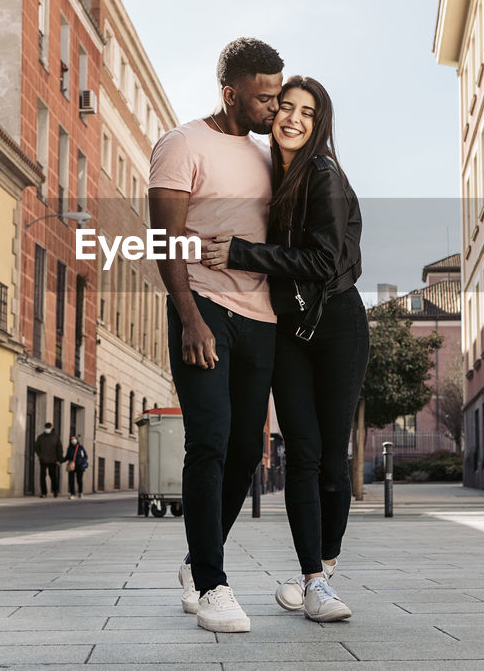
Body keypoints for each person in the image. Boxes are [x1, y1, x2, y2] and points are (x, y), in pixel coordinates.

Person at [201, 76, 365, 623]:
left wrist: (243, 254)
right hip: (291, 330)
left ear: (320, 124)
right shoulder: (280, 176)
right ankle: (315, 582)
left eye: (307, 112)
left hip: (337, 325)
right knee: (304, 452)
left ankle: (323, 567)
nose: (292, 118)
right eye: (285, 107)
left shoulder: (323, 175)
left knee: (331, 461)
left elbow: (325, 262)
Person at [148, 37, 284, 634]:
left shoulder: (266, 156)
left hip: (262, 318)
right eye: (262, 98)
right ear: (230, 92)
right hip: (203, 306)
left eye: (277, 96)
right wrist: (188, 315)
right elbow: (166, 240)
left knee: (242, 454)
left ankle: (195, 560)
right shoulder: (182, 145)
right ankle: (211, 582)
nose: (273, 109)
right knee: (208, 440)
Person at [33, 422, 63, 498]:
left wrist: (59, 459)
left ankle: (55, 491)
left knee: (53, 476)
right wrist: (40, 455)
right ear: (44, 427)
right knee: (42, 476)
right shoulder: (40, 437)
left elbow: (59, 449)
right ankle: (44, 493)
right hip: (43, 460)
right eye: (46, 427)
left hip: (53, 460)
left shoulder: (55, 437)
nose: (47, 429)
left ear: (51, 428)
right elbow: (36, 447)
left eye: (49, 428)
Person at [64, 434, 88, 499]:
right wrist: (60, 461)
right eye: (71, 439)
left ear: (76, 440)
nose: (73, 440)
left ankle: (80, 492)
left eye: (74, 439)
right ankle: (72, 494)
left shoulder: (80, 447)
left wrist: (82, 462)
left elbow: (85, 456)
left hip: (79, 466)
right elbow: (67, 457)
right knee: (71, 480)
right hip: (72, 465)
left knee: (79, 480)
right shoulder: (69, 448)